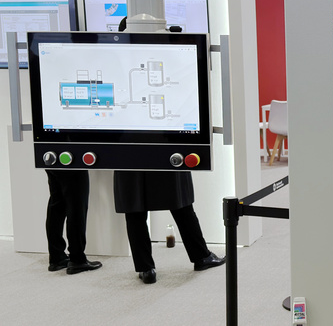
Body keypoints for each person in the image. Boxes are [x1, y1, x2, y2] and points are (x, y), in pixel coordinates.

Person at [114, 16, 224, 284]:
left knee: (137, 209)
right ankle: (200, 256)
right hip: (163, 141)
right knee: (180, 203)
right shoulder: (164, 57)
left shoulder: (116, 63)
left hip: (129, 145)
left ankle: (146, 269)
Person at [45, 169, 103, 274]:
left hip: (51, 161)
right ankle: (77, 259)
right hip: (72, 163)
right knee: (77, 205)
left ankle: (56, 257)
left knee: (57, 203)